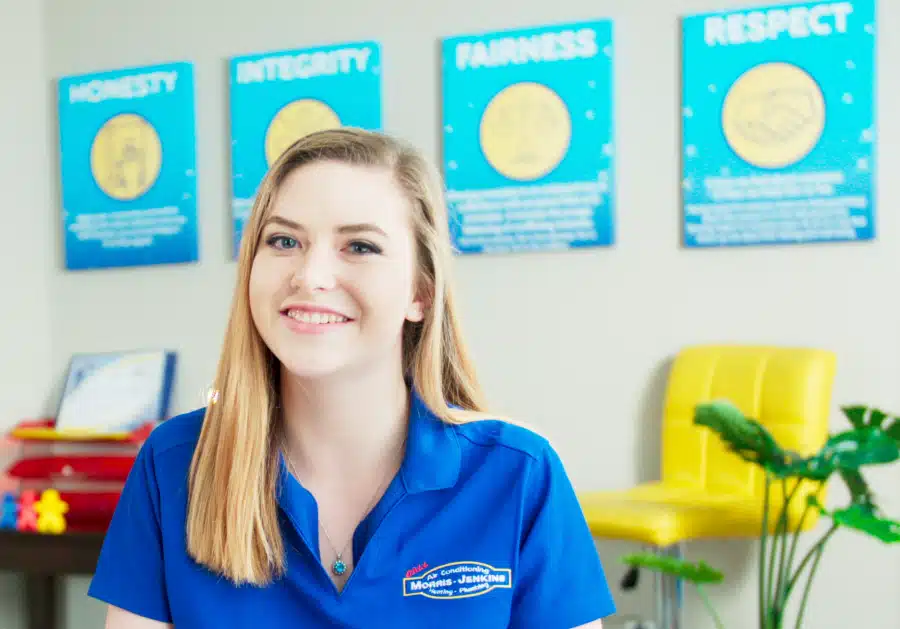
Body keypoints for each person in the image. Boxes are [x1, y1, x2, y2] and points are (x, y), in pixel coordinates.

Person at [88, 128, 617, 628]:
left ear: (421, 293)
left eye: (359, 246)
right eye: (283, 241)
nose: (311, 276)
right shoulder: (174, 464)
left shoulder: (519, 476)